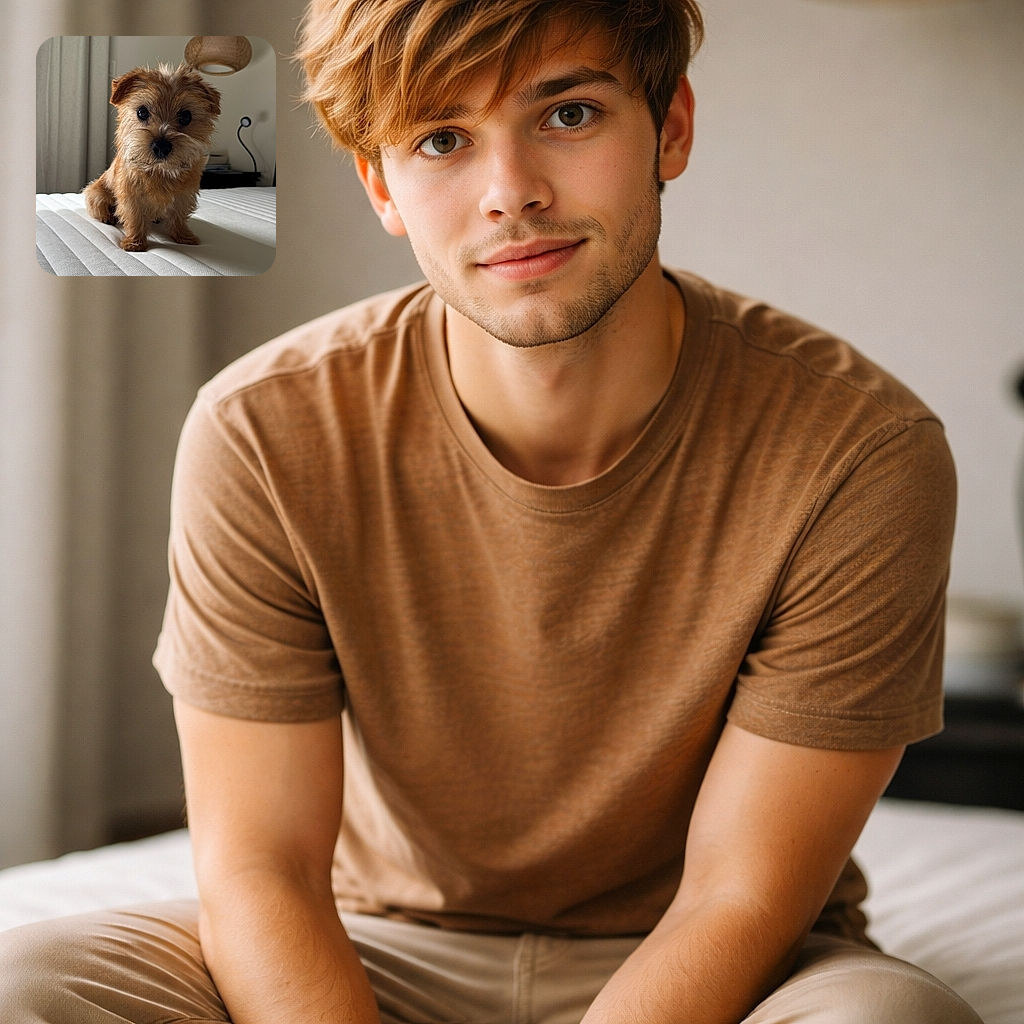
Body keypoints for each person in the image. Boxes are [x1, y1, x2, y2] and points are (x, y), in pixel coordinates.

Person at [0, 1, 983, 1022]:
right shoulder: (263, 429)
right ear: (382, 184)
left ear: (671, 126)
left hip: (725, 970)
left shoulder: (859, 451)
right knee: (22, 986)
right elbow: (265, 871)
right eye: (440, 140)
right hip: (372, 940)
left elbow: (737, 899)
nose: (510, 193)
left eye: (567, 117)